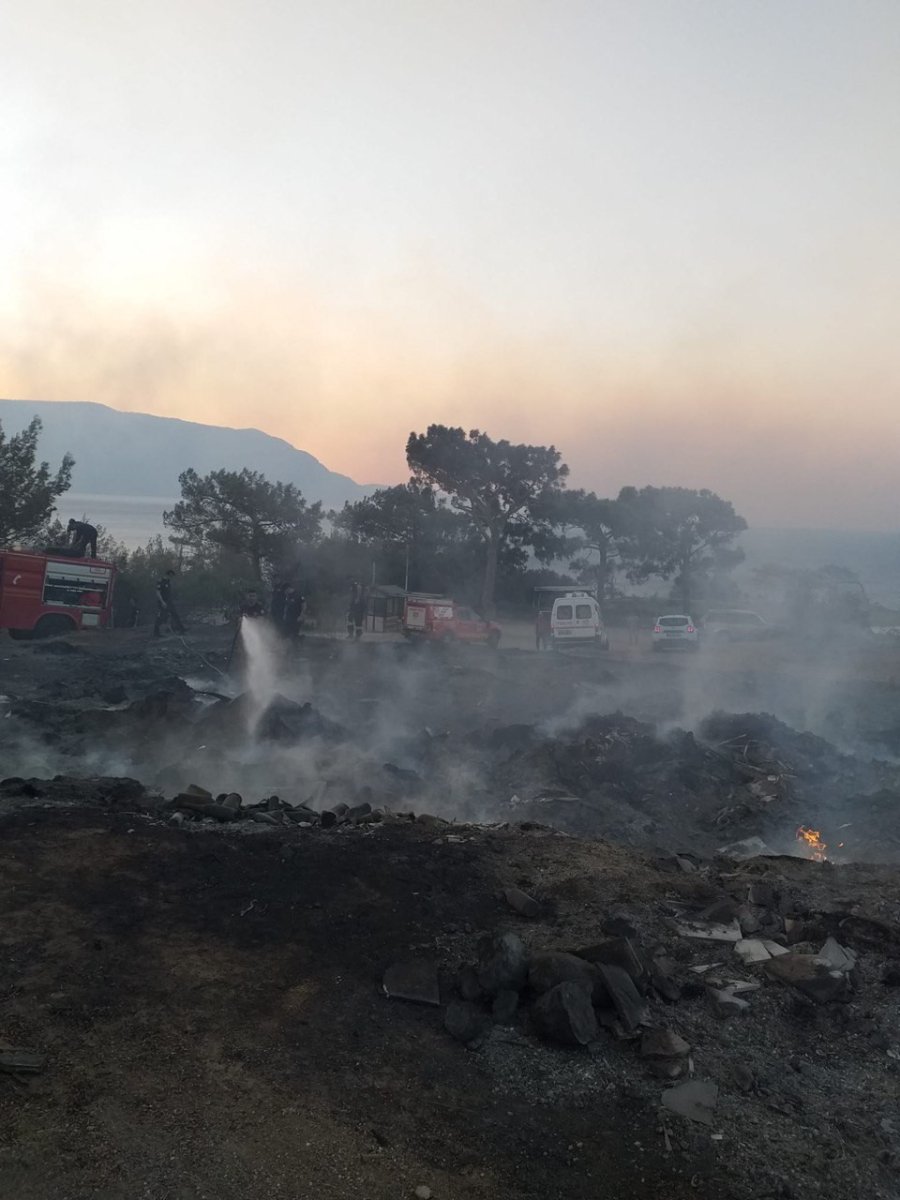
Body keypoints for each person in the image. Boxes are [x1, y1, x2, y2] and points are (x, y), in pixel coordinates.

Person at [153, 569, 185, 637]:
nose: (172, 577)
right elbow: (158, 593)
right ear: (168, 574)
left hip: (169, 602)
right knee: (161, 617)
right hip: (163, 602)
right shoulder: (160, 581)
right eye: (171, 575)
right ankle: (156, 632)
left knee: (175, 615)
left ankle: (181, 629)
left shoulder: (168, 581)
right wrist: (162, 602)